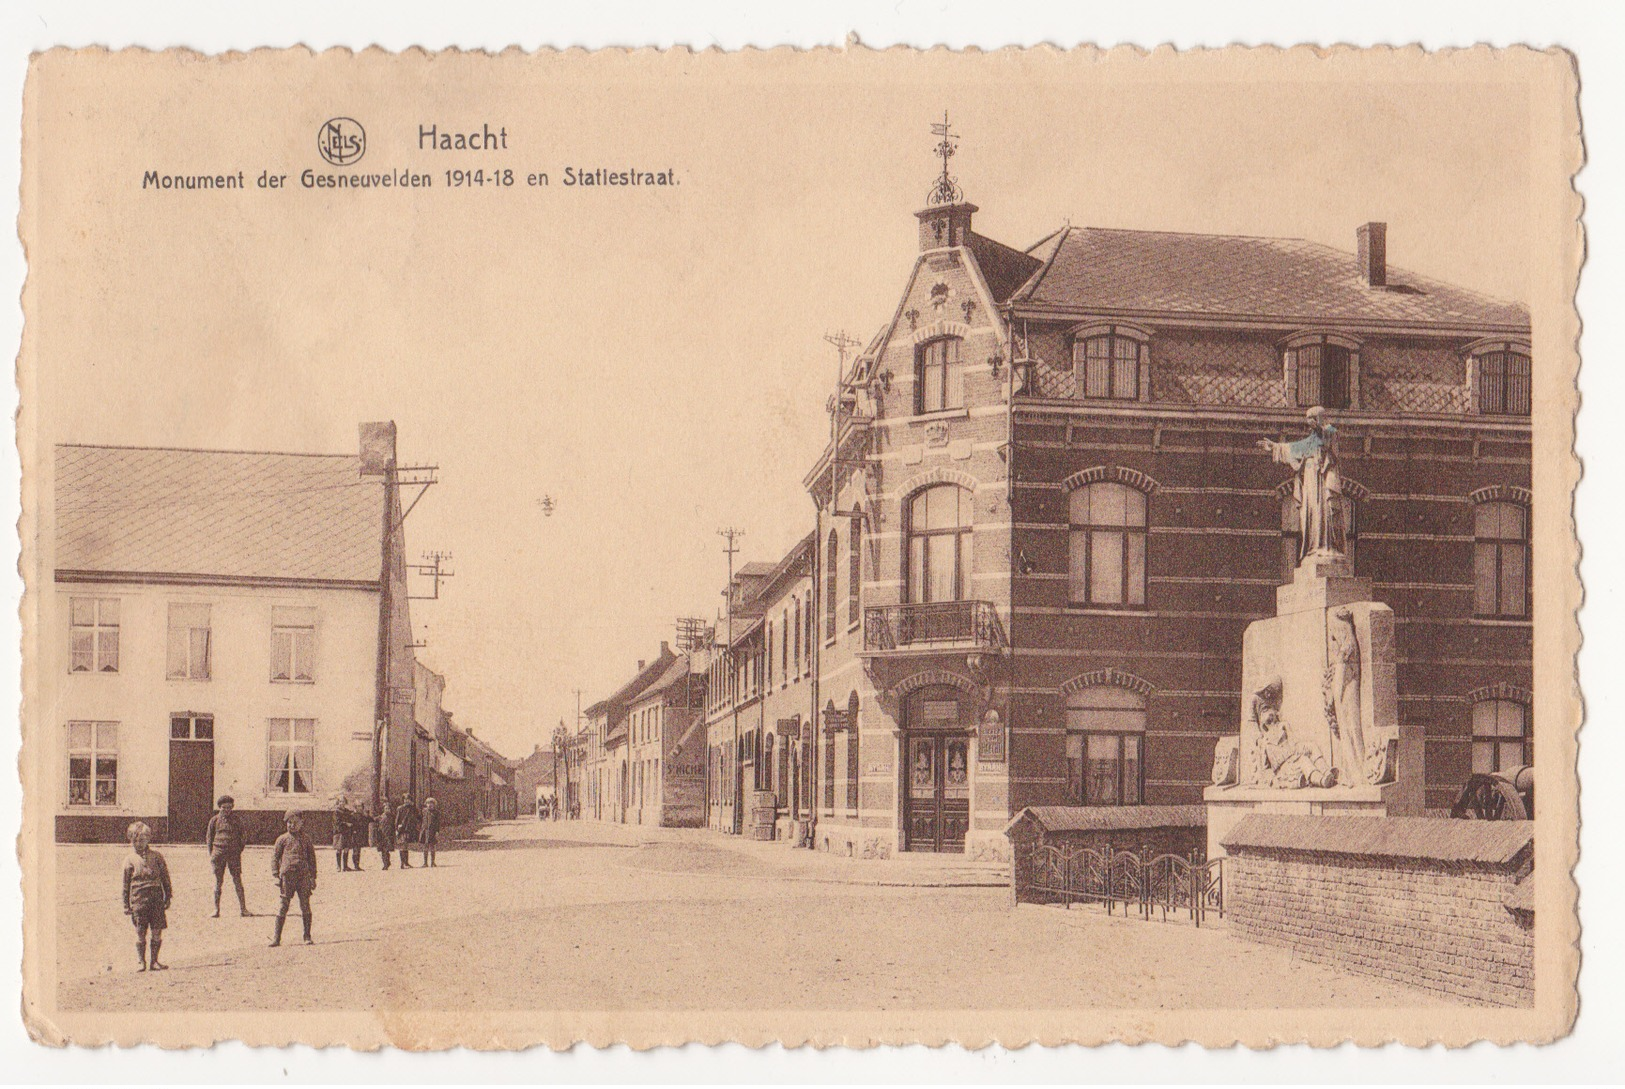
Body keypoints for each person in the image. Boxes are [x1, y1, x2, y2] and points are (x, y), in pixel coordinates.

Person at [121, 821, 173, 971]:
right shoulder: (129, 860)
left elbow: (165, 877)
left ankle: (154, 961)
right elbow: (125, 885)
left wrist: (168, 896)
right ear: (131, 840)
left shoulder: (157, 857)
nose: (139, 843)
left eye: (142, 840)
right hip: (138, 899)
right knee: (140, 931)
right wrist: (126, 904)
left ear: (148, 839)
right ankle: (140, 961)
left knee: (157, 930)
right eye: (135, 840)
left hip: (156, 898)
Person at [269, 811, 317, 947]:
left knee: (305, 905)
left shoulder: (306, 839)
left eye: (295, 823)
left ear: (302, 823)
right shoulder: (282, 839)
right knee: (283, 905)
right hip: (287, 877)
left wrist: (313, 877)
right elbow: (275, 858)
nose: (292, 825)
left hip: (303, 877)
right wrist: (275, 875)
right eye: (289, 822)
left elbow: (312, 859)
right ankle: (276, 938)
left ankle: (307, 936)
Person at [204, 794, 249, 917]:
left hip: (233, 854)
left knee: (237, 881)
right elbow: (209, 838)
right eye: (224, 808)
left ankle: (243, 909)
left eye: (229, 807)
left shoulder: (237, 820)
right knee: (218, 882)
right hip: (218, 854)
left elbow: (243, 836)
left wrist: (238, 850)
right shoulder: (214, 820)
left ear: (232, 807)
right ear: (219, 808)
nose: (227, 810)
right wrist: (212, 854)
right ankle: (216, 910)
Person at [394, 796, 420, 869]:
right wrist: (396, 828)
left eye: (408, 799)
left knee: (406, 846)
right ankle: (403, 863)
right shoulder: (400, 808)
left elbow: (418, 817)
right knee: (403, 845)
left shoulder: (413, 808)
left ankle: (406, 863)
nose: (406, 801)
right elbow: (397, 819)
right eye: (405, 799)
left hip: (409, 829)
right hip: (402, 829)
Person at [370, 798, 395, 870]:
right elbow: (374, 820)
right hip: (381, 835)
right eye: (386, 808)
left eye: (388, 808)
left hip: (389, 835)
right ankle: (386, 863)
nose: (387, 810)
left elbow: (394, 825)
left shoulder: (392, 817)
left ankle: (386, 863)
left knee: (386, 850)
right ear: (384, 809)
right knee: (383, 850)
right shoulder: (380, 817)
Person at [331, 797, 352, 872]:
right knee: (339, 849)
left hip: (347, 832)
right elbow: (337, 822)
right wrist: (346, 823)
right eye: (340, 801)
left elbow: (351, 819)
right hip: (339, 833)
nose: (342, 803)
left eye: (343, 801)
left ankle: (345, 866)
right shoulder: (336, 812)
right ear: (338, 803)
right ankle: (338, 866)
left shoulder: (348, 812)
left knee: (346, 849)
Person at [420, 796, 440, 868]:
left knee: (432, 846)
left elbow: (438, 823)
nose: (430, 805)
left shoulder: (436, 813)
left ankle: (433, 862)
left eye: (431, 803)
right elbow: (420, 820)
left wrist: (437, 831)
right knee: (425, 847)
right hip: (425, 831)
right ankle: (425, 863)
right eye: (428, 803)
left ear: (434, 804)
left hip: (432, 831)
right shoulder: (424, 811)